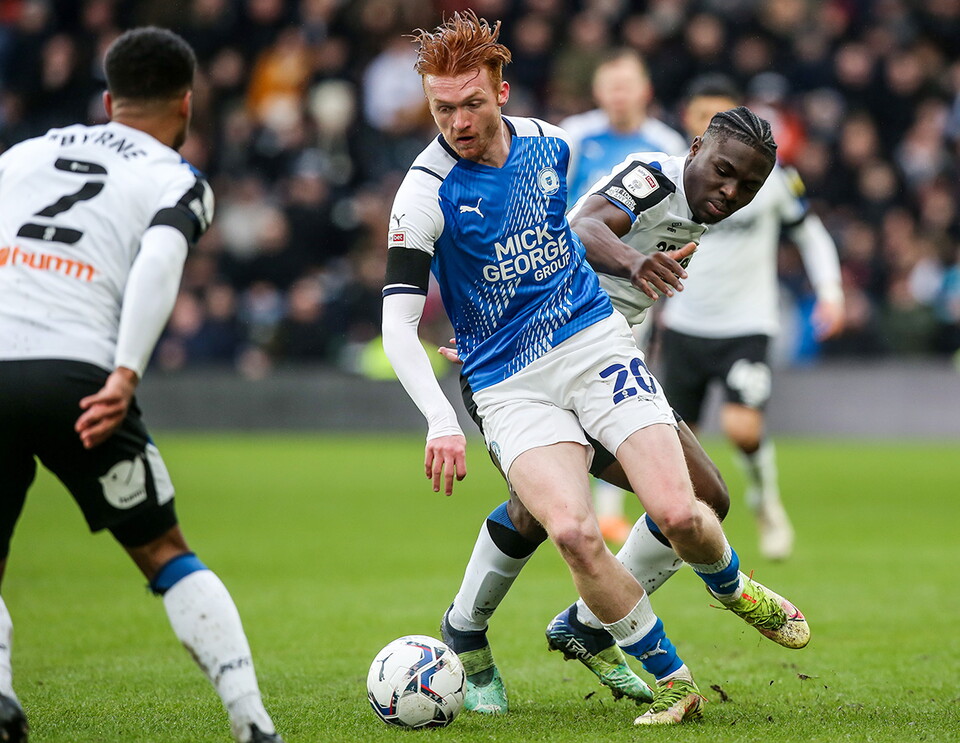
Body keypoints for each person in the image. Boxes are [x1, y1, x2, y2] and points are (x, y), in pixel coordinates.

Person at [381, 11, 808, 727]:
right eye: (441, 108)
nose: (457, 120)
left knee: (678, 505)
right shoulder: (424, 192)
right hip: (508, 377)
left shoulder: (548, 145)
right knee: (566, 521)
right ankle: (501, 638)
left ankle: (534, 623)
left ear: (503, 93)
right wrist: (439, 415)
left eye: (472, 103)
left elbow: (548, 236)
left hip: (595, 347)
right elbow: (397, 321)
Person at [0, 28, 283, 743]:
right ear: (187, 105)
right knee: (164, 551)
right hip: (78, 375)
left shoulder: (24, 154)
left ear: (107, 99)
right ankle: (252, 724)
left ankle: (1, 700)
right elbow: (160, 257)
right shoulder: (175, 175)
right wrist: (125, 372)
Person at [658, 74, 845, 560]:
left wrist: (830, 292)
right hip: (684, 325)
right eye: (702, 115)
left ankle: (766, 504)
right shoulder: (671, 177)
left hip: (747, 324)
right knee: (681, 449)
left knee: (743, 428)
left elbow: (810, 232)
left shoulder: (772, 180)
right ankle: (683, 538)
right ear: (692, 123)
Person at [559, 48, 689, 544]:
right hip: (571, 276)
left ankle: (609, 505)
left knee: (620, 379)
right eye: (609, 85)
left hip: (635, 284)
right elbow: (553, 203)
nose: (617, 93)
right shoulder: (575, 134)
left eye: (626, 84)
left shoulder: (664, 144)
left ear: (645, 90)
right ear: (598, 91)